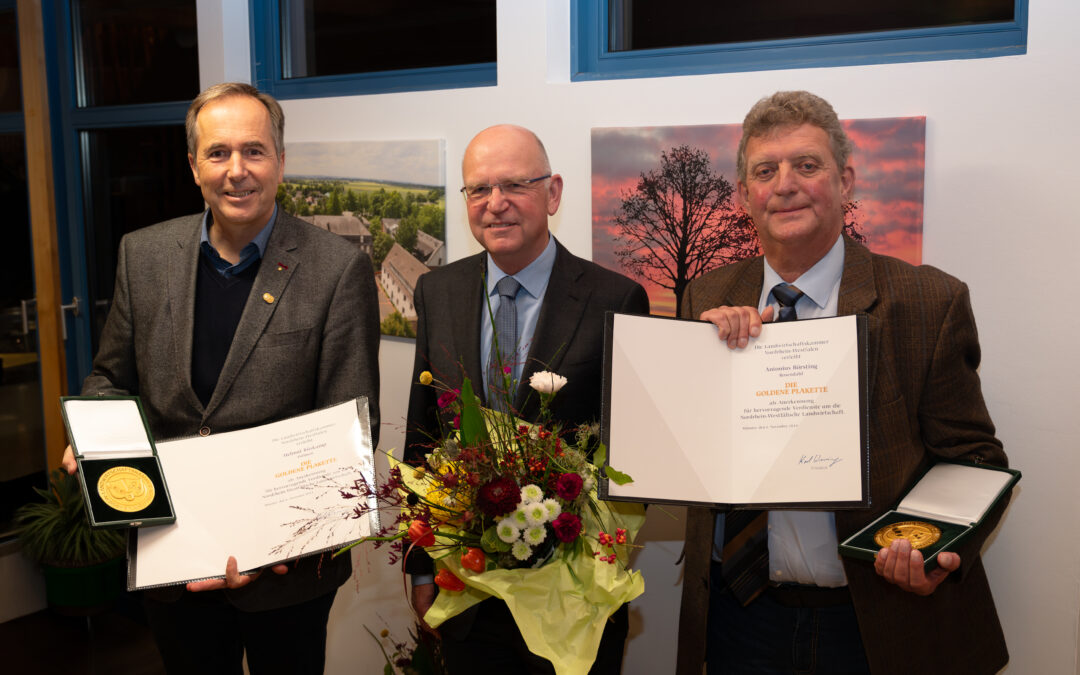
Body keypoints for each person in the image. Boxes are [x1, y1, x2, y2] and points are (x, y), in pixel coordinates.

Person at [675, 91, 1009, 675]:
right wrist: (695, 367)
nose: (785, 184)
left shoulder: (928, 301)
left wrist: (935, 550)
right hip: (739, 618)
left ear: (846, 181)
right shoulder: (705, 298)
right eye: (765, 170)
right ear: (743, 196)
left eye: (807, 165)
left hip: (876, 623)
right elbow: (683, 450)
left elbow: (974, 458)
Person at [61, 82, 381, 674]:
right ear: (193, 165)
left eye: (254, 151)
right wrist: (97, 437)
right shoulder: (144, 254)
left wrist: (273, 546)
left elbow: (351, 424)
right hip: (170, 550)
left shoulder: (338, 269)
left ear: (281, 162)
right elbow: (109, 377)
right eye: (218, 153)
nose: (237, 171)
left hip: (287, 571)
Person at [403, 124, 650, 674]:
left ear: (553, 192)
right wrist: (421, 571)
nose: (495, 204)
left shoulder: (617, 299)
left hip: (571, 603)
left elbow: (632, 460)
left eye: (515, 184)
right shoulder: (437, 291)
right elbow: (422, 438)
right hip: (465, 594)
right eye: (478, 189)